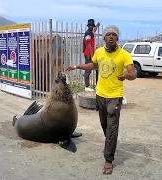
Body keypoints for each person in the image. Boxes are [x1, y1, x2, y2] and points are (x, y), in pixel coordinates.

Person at [66, 25, 136, 175]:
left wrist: (127, 76)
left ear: (117, 38)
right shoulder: (98, 52)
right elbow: (94, 65)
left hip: (114, 96)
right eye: (108, 34)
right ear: (104, 37)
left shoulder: (124, 55)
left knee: (112, 127)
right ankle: (110, 143)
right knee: (105, 125)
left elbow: (133, 73)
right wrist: (76, 65)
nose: (111, 36)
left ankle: (108, 159)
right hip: (100, 95)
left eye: (114, 35)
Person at [83, 19, 100, 91]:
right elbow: (89, 45)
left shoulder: (91, 31)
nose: (91, 26)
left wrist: (97, 26)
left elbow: (94, 29)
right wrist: (93, 56)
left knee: (97, 69)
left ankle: (97, 85)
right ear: (88, 26)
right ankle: (86, 86)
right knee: (88, 69)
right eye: (90, 25)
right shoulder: (88, 34)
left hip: (92, 54)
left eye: (92, 25)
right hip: (88, 54)